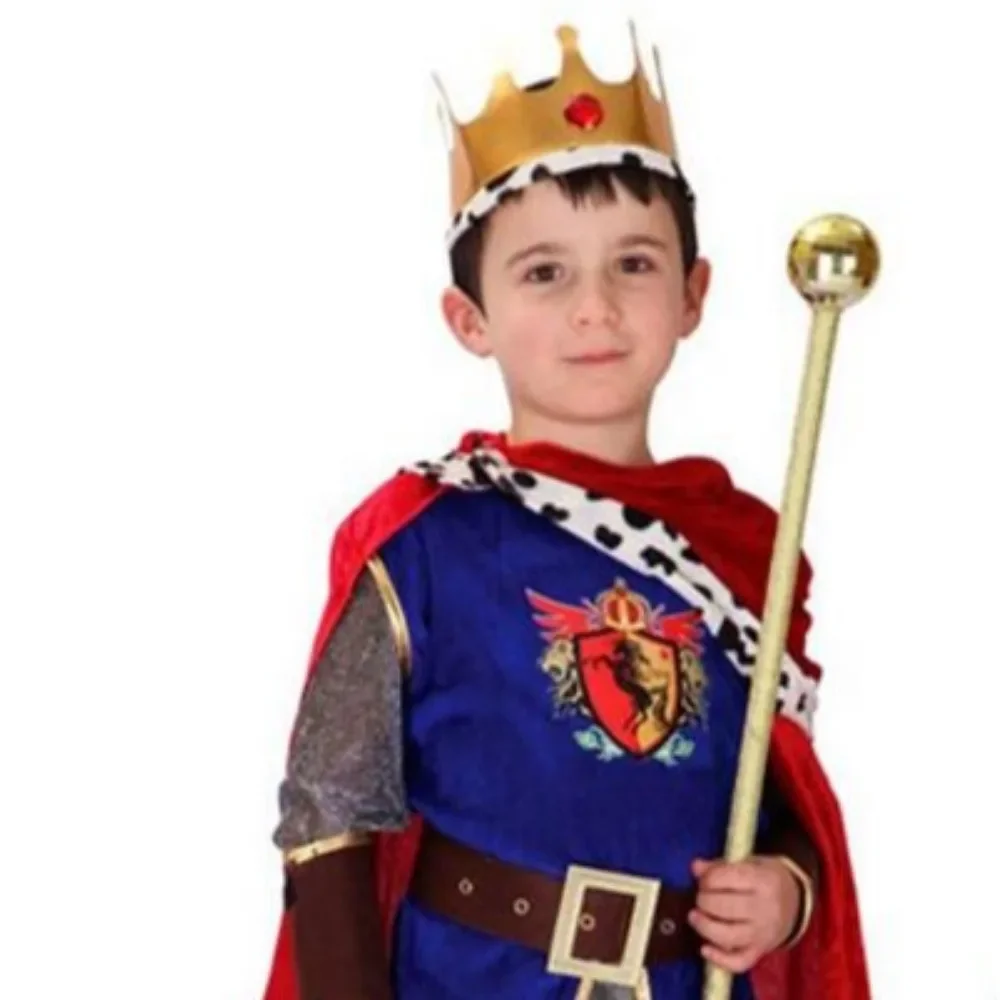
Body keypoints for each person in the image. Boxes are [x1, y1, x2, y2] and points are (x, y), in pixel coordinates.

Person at [261, 21, 869, 1000]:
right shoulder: (422, 539)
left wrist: (787, 890)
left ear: (693, 295)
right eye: (545, 272)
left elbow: (776, 789)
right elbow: (330, 814)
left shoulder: (747, 549)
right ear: (470, 319)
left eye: (634, 264)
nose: (595, 308)